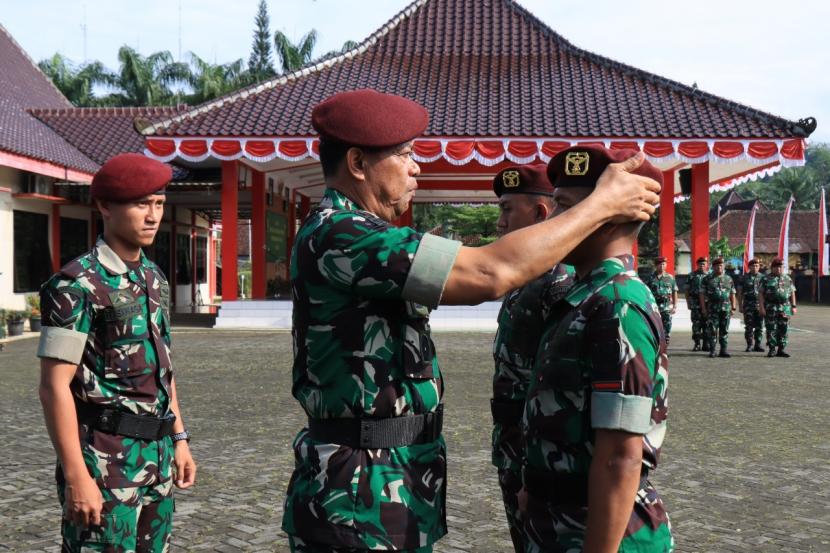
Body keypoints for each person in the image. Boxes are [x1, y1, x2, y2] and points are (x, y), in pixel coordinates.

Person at [281, 89, 661, 553]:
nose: (416, 167)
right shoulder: (341, 233)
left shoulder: (359, 233)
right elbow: (488, 272)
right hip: (356, 493)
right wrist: (601, 204)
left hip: (381, 483)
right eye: (404, 155)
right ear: (358, 163)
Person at [37, 153, 196, 552]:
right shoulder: (76, 285)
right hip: (104, 464)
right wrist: (76, 476)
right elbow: (54, 387)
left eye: (159, 204)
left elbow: (164, 370)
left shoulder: (153, 278)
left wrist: (179, 438)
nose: (153, 216)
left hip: (156, 459)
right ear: (105, 206)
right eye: (141, 204)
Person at [521, 145, 672, 553]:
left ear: (610, 213)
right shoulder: (584, 295)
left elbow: (620, 458)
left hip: (601, 532)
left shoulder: (617, 302)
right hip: (559, 520)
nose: (555, 221)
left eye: (567, 207)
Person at [490, 164, 575, 553]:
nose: (500, 222)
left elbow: (558, 386)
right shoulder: (528, 273)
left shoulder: (559, 280)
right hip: (515, 446)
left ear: (541, 214)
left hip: (538, 456)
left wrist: (533, 474)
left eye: (508, 210)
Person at [759, 257, 797, 357]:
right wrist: (762, 307)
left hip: (785, 307)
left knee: (784, 328)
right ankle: (772, 349)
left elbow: (792, 292)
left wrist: (794, 306)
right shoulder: (766, 278)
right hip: (771, 307)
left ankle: (781, 349)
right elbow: (761, 294)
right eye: (776, 267)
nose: (778, 269)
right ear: (772, 268)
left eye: (780, 267)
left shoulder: (787, 278)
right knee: (771, 328)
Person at [700, 257, 737, 358]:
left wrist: (733, 307)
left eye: (721, 265)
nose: (719, 267)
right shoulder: (707, 279)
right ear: (713, 267)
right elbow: (702, 295)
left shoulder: (728, 279)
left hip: (726, 308)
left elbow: (732, 293)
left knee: (724, 329)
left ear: (723, 266)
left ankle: (723, 350)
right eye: (717, 266)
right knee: (712, 330)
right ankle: (712, 350)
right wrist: (703, 308)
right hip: (712, 308)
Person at [646, 256, 678, 345]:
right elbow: (646, 292)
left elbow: (674, 291)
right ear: (656, 266)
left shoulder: (670, 278)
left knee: (667, 327)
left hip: (666, 307)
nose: (662, 266)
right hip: (654, 307)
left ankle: (665, 348)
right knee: (654, 327)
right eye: (660, 264)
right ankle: (656, 346)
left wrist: (675, 306)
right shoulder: (651, 278)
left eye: (664, 264)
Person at [738, 258, 765, 352]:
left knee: (759, 326)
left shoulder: (763, 278)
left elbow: (766, 293)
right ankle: (749, 344)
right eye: (753, 266)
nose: (755, 267)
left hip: (759, 305)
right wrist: (740, 306)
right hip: (748, 305)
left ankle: (758, 344)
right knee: (748, 326)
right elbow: (740, 292)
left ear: (759, 267)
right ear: (749, 267)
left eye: (757, 266)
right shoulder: (744, 278)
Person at [685, 257, 709, 351]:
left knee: (707, 324)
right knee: (696, 324)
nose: (702, 266)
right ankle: (697, 343)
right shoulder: (692, 275)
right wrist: (688, 302)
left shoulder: (709, 276)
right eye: (700, 264)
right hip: (695, 303)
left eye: (704, 264)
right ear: (697, 265)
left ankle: (706, 344)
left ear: (707, 265)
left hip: (707, 304)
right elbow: (686, 290)